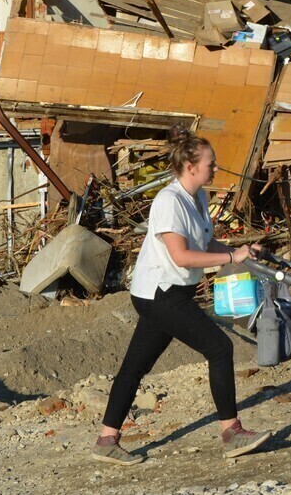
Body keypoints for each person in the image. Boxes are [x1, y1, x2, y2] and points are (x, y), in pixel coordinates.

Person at [93, 126, 271, 465]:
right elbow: (182, 256)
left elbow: (204, 244)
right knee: (220, 347)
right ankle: (232, 432)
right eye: (211, 164)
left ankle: (106, 440)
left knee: (135, 366)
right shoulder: (169, 202)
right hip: (160, 293)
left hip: (172, 292)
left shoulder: (198, 197)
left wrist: (240, 250)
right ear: (190, 166)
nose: (215, 168)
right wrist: (231, 258)